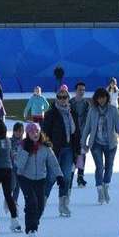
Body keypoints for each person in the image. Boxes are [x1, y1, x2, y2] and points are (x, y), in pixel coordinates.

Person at [14, 122, 62, 237]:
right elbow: (19, 165)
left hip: (40, 179)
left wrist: (59, 176)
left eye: (36, 131)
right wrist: (26, 151)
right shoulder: (23, 146)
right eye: (31, 132)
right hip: (25, 178)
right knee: (32, 202)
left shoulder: (45, 147)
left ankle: (33, 222)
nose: (35, 134)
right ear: (27, 134)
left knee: (40, 205)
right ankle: (31, 228)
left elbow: (53, 162)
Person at [81, 87, 119, 205]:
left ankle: (106, 186)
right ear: (96, 99)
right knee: (99, 167)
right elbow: (87, 127)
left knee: (109, 167)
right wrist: (83, 142)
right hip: (96, 143)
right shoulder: (92, 110)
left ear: (107, 98)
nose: (101, 100)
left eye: (103, 97)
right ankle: (100, 191)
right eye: (99, 98)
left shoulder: (113, 110)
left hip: (110, 144)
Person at [43, 86, 81, 217]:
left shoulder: (73, 113)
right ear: (56, 98)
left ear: (68, 98)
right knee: (51, 176)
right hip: (54, 150)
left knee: (66, 177)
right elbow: (44, 133)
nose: (62, 99)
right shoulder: (51, 113)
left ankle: (63, 205)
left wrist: (78, 150)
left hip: (69, 149)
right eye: (60, 97)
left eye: (64, 97)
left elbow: (77, 133)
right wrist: (47, 148)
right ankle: (41, 202)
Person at [69, 82, 89, 188]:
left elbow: (89, 118)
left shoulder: (86, 104)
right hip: (72, 133)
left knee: (82, 154)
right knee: (72, 155)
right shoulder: (70, 103)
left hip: (82, 133)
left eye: (83, 90)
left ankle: (80, 177)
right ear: (75, 90)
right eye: (80, 89)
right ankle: (70, 176)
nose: (82, 92)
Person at [8, 123, 24, 211]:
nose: (19, 133)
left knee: (18, 185)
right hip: (11, 167)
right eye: (17, 131)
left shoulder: (24, 142)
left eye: (20, 131)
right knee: (13, 184)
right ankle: (9, 198)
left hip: (20, 168)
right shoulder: (9, 141)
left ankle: (14, 202)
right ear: (14, 131)